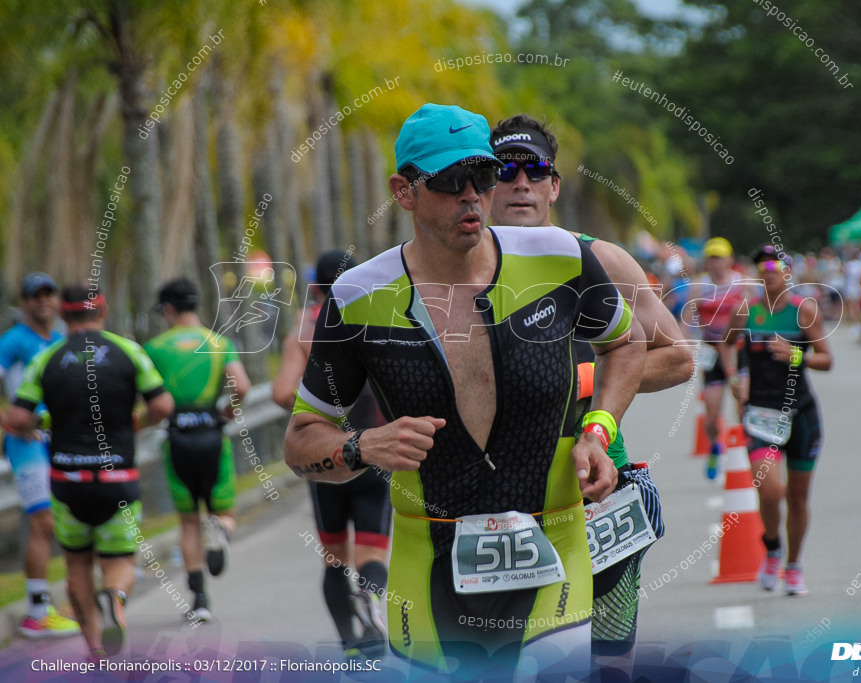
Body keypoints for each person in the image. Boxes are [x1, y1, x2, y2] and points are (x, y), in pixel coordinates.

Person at [284, 103, 644, 677]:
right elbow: (302, 439)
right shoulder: (357, 298)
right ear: (404, 192)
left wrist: (599, 431)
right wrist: (360, 447)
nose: (472, 195)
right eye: (451, 181)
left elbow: (628, 344)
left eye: (482, 175)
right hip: (427, 567)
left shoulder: (560, 259)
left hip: (555, 545)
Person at [488, 113, 691, 665]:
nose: (520, 182)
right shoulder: (454, 268)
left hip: (595, 485)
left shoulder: (599, 259)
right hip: (492, 498)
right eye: (505, 169)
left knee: (603, 658)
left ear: (554, 186)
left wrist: (578, 386)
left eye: (535, 170)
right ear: (485, 181)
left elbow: (676, 357)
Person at [6, 283, 173, 658]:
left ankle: (96, 648)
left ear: (64, 315)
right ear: (104, 310)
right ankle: (115, 597)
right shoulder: (130, 351)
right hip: (119, 480)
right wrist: (137, 423)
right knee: (121, 562)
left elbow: (17, 417)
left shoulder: (46, 358)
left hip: (67, 484)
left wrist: (46, 420)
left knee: (77, 563)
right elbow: (163, 405)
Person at [272, 251, 391, 657]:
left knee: (334, 558)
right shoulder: (379, 318)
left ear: (317, 286)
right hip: (376, 451)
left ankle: (350, 642)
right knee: (374, 548)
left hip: (325, 457)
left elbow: (281, 393)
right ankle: (371, 606)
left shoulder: (304, 331)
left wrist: (319, 407)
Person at [721, 246, 833, 597]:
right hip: (760, 415)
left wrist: (796, 354)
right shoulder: (747, 310)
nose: (768, 272)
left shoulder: (804, 311)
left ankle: (794, 566)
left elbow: (827, 360)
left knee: (798, 498)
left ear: (788, 272)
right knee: (771, 492)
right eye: (762, 267)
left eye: (776, 266)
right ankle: (772, 548)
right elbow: (725, 343)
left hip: (801, 413)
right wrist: (734, 378)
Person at [143, 278, 251, 622]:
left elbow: (148, 397)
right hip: (211, 434)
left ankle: (200, 601)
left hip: (177, 438)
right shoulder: (218, 342)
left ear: (169, 309)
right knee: (225, 513)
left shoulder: (155, 347)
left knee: (189, 522)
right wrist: (228, 411)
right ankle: (220, 531)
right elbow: (242, 385)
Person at [0, 272, 79, 639]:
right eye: (36, 296)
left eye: (50, 293)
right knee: (43, 521)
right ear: (26, 302)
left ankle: (57, 602)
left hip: (59, 440)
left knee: (62, 520)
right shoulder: (13, 341)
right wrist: (10, 422)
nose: (44, 301)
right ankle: (36, 613)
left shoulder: (64, 339)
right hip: (26, 444)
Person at [683, 237, 753, 479]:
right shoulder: (698, 286)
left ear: (730, 260)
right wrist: (683, 350)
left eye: (720, 258)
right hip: (711, 352)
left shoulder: (741, 283)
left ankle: (749, 451)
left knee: (743, 403)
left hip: (738, 349)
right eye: (711, 258)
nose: (716, 263)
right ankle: (715, 446)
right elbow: (687, 321)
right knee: (712, 417)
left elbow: (752, 313)